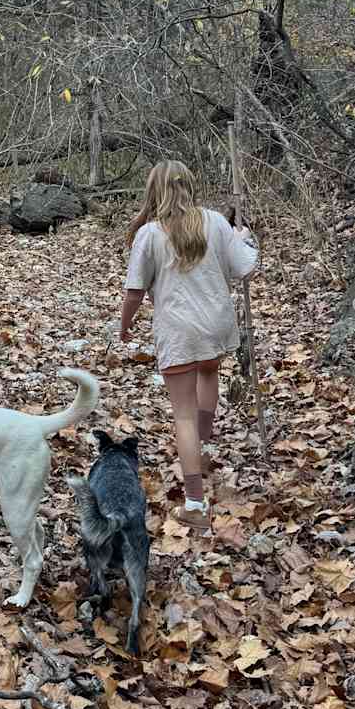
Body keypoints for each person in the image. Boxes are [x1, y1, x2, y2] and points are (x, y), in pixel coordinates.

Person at [119, 161, 260, 518]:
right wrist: (242, 239)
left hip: (179, 329)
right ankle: (204, 444)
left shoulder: (149, 234)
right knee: (209, 372)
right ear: (189, 186)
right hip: (215, 323)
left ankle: (195, 502)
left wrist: (125, 324)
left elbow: (135, 290)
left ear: (155, 191)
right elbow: (244, 266)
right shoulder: (214, 221)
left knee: (182, 415)